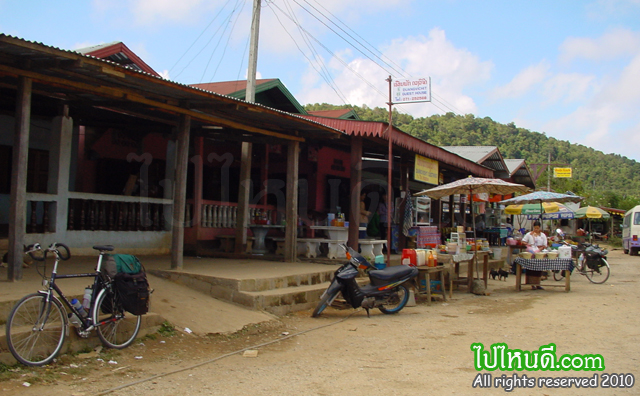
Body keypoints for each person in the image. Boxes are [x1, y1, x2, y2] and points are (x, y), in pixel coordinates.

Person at [522, 220, 548, 290]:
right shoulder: (529, 234)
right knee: (531, 268)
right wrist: (527, 244)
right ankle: (531, 284)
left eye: (537, 228)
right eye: (535, 228)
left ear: (540, 228)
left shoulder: (543, 235)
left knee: (538, 268)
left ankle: (537, 284)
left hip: (539, 254)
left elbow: (545, 245)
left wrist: (540, 249)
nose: (536, 229)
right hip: (531, 253)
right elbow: (523, 241)